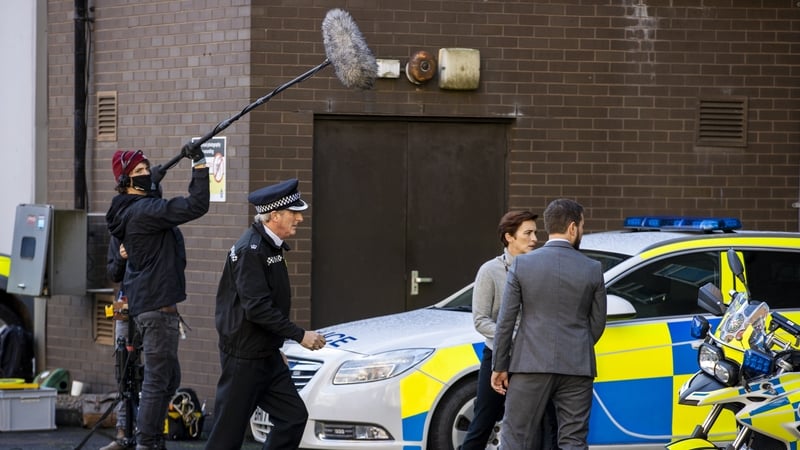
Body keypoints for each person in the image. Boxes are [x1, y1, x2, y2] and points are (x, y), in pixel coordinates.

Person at [204, 178, 327, 450]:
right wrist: (300, 336)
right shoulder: (252, 250)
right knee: (227, 437)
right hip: (244, 359)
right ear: (274, 215)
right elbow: (257, 308)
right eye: (294, 213)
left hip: (265, 355)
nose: (300, 218)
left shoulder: (269, 245)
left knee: (293, 417)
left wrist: (275, 345)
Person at [105, 146, 209, 450]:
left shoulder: (129, 210)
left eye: (147, 169)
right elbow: (196, 205)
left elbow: (149, 197)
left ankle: (148, 438)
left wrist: (155, 177)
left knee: (168, 378)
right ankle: (147, 441)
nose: (146, 174)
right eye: (139, 171)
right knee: (156, 379)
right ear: (124, 181)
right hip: (156, 309)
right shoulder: (145, 211)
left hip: (149, 306)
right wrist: (199, 164)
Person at [491, 198, 607, 450]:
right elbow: (598, 322)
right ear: (573, 228)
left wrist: (499, 365)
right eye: (582, 226)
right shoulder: (593, 268)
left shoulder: (522, 264)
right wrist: (578, 345)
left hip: (529, 364)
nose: (581, 231)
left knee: (515, 438)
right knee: (573, 440)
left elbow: (505, 321)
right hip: (577, 366)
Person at [461, 210, 543, 450]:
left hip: (534, 359)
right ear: (509, 237)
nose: (534, 239)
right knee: (483, 422)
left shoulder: (541, 269)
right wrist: (514, 337)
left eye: (535, 233)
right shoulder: (490, 271)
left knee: (540, 424)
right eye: (528, 233)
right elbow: (480, 320)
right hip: (499, 356)